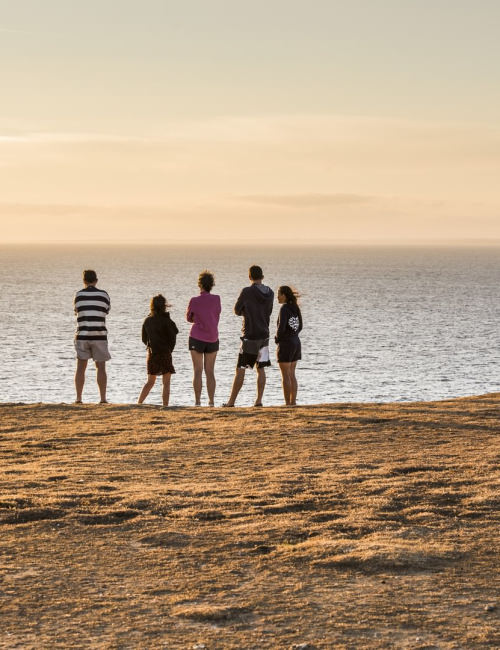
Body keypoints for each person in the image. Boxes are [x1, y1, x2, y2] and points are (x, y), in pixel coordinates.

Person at [224, 265, 274, 407]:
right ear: (262, 277)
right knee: (261, 368)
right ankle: (258, 401)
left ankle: (231, 402)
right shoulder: (270, 293)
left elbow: (236, 310)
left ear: (249, 277)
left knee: (241, 368)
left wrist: (246, 313)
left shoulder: (247, 292)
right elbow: (269, 311)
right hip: (264, 334)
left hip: (250, 334)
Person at [74, 269, 111, 404]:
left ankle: (78, 398)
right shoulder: (104, 295)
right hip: (99, 335)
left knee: (80, 367)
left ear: (84, 281)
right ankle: (102, 398)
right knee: (101, 367)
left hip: (82, 335)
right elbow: (106, 311)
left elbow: (77, 311)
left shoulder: (78, 295)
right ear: (96, 280)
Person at [186, 270, 221, 406]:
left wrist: (198, 318)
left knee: (197, 371)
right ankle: (211, 402)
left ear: (199, 285)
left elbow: (189, 318)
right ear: (211, 285)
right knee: (210, 372)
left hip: (197, 337)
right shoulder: (217, 299)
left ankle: (197, 402)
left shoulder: (194, 300)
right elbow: (216, 313)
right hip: (212, 337)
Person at [138, 294, 178, 407]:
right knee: (166, 383)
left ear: (152, 306)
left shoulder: (147, 320)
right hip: (165, 352)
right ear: (164, 306)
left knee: (150, 382)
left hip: (152, 353)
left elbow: (144, 339)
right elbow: (173, 337)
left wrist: (150, 346)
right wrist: (170, 349)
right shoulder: (167, 321)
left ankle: (139, 403)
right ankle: (165, 405)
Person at [275, 286, 302, 406]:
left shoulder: (284, 308)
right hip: (296, 342)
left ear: (284, 295)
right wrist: (293, 334)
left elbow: (281, 327)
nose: (277, 297)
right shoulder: (295, 307)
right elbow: (300, 326)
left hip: (286, 344)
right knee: (292, 374)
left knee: (285, 375)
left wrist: (277, 339)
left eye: (279, 294)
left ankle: (287, 403)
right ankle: (293, 402)